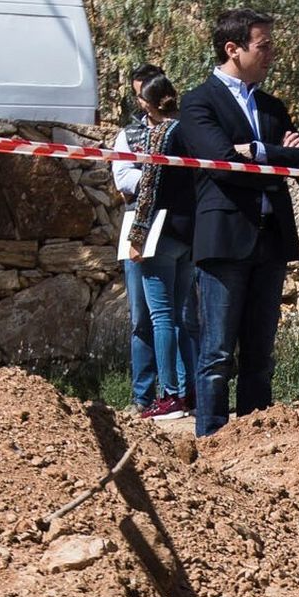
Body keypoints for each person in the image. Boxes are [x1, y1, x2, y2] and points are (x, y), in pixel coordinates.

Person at [171, 9, 299, 439]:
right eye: (264, 45)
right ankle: (213, 440)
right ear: (232, 49)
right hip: (225, 240)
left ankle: (256, 441)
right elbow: (221, 165)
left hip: (270, 241)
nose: (272, 53)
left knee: (261, 354)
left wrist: (257, 150)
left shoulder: (273, 107)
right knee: (217, 353)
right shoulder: (199, 102)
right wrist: (275, 153)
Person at [120, 75, 197, 419]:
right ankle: (188, 390)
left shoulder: (160, 135)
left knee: (161, 317)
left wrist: (136, 237)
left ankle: (169, 396)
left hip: (160, 235)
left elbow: (147, 191)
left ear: (146, 105)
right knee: (181, 317)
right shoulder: (193, 130)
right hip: (189, 233)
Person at [112, 63, 166, 410]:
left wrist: (149, 178)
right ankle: (143, 397)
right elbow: (123, 180)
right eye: (137, 95)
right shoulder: (127, 136)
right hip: (138, 227)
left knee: (180, 316)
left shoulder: (180, 131)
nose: (142, 102)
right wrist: (159, 179)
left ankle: (178, 392)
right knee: (141, 318)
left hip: (175, 227)